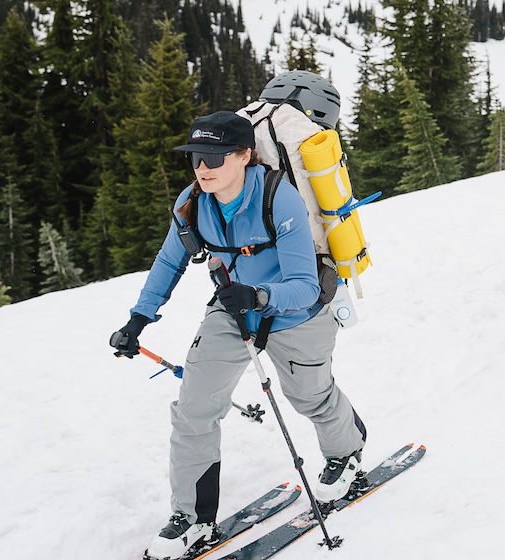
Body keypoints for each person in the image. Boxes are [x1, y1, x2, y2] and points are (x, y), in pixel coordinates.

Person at [109, 110, 366, 560]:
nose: (203, 168)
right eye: (195, 158)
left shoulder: (277, 198)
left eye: (214, 157)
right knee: (193, 409)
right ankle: (192, 518)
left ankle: (347, 452)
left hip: (298, 311)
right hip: (232, 309)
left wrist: (260, 296)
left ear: (245, 155)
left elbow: (305, 284)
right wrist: (138, 318)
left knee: (310, 395)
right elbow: (169, 262)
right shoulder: (193, 202)